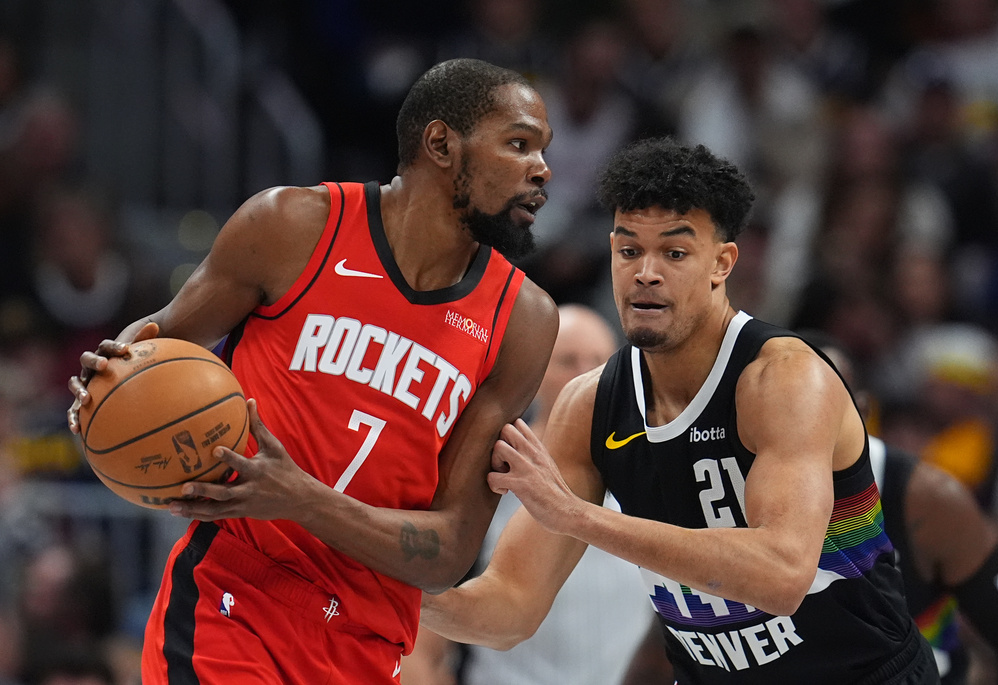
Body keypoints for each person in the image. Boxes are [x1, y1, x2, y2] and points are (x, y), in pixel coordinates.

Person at [66, 57, 558, 684]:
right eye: (519, 144)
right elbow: (162, 334)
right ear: (440, 143)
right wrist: (112, 376)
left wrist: (302, 499)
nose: (541, 170)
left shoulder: (522, 321)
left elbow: (451, 550)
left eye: (543, 151)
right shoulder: (293, 226)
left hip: (366, 644)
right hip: (231, 603)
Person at [420, 137, 939, 684]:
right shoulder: (592, 405)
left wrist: (577, 517)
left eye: (673, 252)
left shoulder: (783, 378)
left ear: (722, 263)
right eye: (628, 251)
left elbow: (782, 575)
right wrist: (393, 594)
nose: (645, 272)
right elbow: (509, 609)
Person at [622, 332, 998, 684]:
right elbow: (660, 655)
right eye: (789, 407)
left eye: (825, 405)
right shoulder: (725, 488)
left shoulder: (925, 498)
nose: (806, 419)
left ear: (861, 415)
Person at [405, 303, 651, 685]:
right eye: (568, 360)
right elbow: (424, 621)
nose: (585, 375)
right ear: (537, 373)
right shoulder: (485, 467)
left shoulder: (647, 470)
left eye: (600, 361)